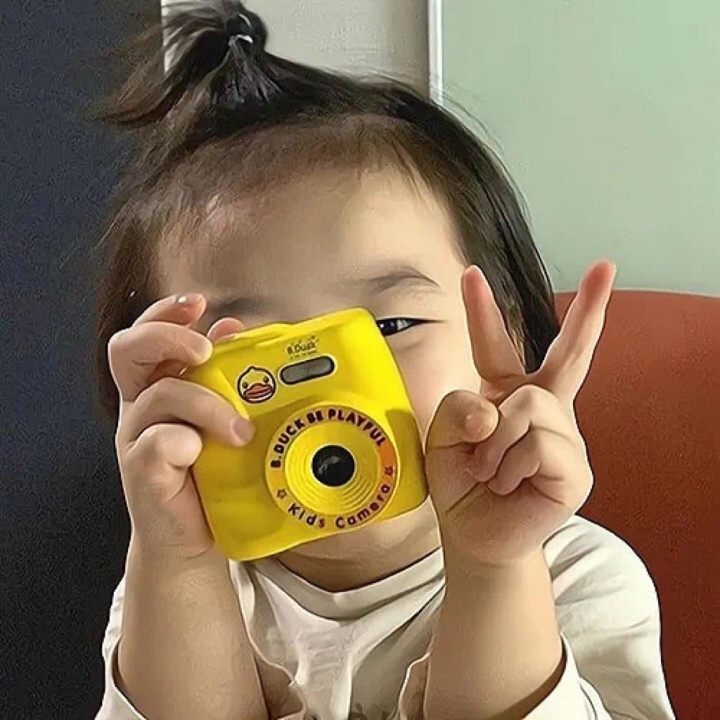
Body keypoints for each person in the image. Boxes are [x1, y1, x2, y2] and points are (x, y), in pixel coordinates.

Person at [92, 2, 675, 719]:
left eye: (393, 324)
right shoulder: (175, 585)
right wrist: (178, 566)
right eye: (251, 353)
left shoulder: (577, 576)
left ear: (505, 332)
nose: (327, 398)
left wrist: (496, 567)